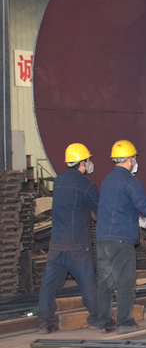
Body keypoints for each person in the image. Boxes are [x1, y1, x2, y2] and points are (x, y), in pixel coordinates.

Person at [96, 140, 146, 334]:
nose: (135, 161)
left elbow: (115, 208)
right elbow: (145, 206)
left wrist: (138, 221)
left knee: (105, 282)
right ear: (129, 160)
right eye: (134, 158)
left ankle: (105, 323)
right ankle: (125, 323)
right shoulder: (131, 182)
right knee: (125, 282)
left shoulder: (107, 180)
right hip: (121, 240)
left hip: (103, 239)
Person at [38, 143, 99, 334]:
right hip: (78, 245)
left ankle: (45, 324)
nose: (89, 163)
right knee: (88, 285)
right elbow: (98, 214)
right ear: (82, 163)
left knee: (48, 286)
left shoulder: (58, 182)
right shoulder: (87, 185)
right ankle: (97, 320)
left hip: (57, 244)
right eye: (88, 160)